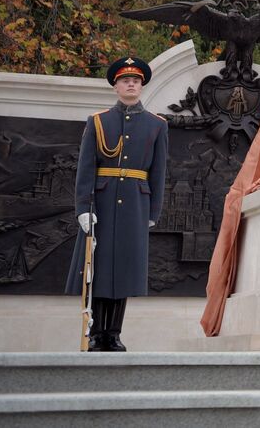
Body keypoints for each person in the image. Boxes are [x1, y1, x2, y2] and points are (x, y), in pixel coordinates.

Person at [64, 57, 168, 352]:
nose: (131, 84)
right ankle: (96, 333)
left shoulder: (157, 125)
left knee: (124, 269)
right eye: (125, 80)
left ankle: (114, 333)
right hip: (102, 202)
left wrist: (153, 211)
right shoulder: (98, 121)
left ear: (142, 86)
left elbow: (158, 171)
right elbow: (86, 168)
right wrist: (83, 208)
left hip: (135, 204)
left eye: (135, 80)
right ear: (116, 86)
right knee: (98, 268)